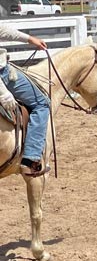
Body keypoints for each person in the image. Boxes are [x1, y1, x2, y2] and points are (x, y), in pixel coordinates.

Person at [0, 24, 51, 177]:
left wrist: (30, 39)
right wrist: (4, 94)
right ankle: (31, 159)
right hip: (2, 75)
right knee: (42, 103)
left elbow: (3, 31)